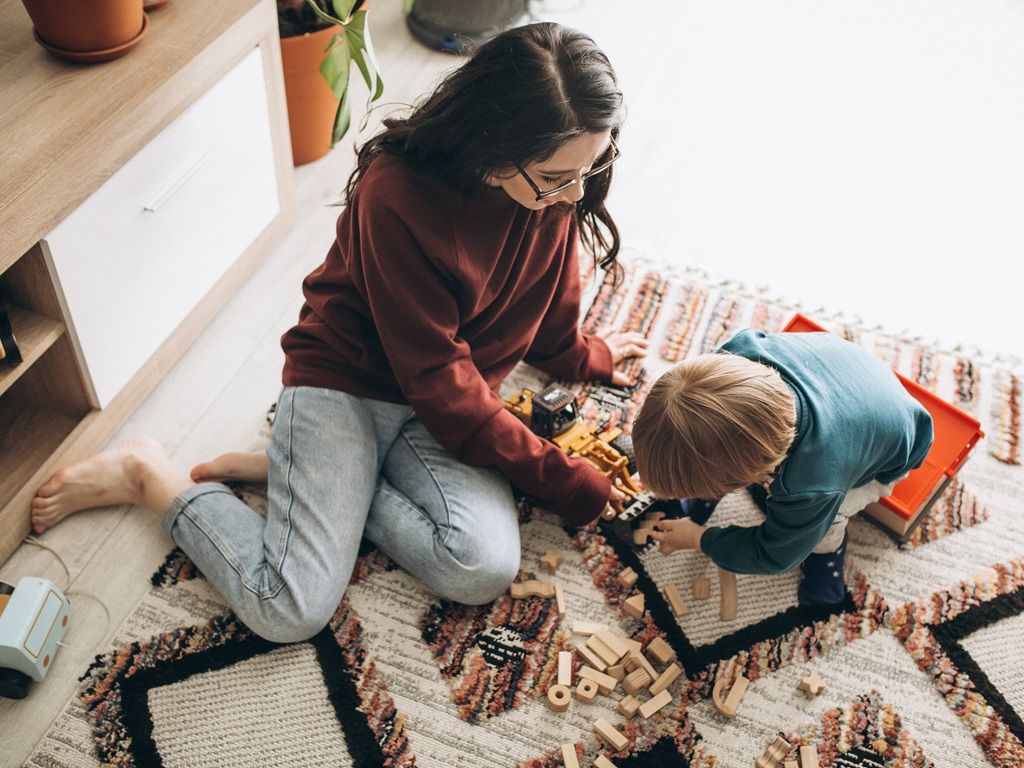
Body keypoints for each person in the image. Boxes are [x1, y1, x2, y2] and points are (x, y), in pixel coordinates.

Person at [30, 22, 648, 642]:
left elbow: (549, 278)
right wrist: (561, 479)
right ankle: (151, 476)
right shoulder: (398, 194)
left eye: (591, 167)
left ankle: (301, 478)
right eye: (557, 177)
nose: (575, 194)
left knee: (481, 568)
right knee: (287, 609)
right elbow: (438, 380)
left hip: (449, 402)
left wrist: (577, 354)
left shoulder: (559, 185)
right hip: (351, 382)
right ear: (495, 143)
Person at [632, 328, 934, 605]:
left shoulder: (810, 484)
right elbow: (707, 423)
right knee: (716, 437)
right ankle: (709, 485)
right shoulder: (732, 354)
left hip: (898, 445)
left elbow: (773, 554)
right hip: (847, 371)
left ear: (757, 473)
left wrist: (700, 539)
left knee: (826, 523)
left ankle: (827, 559)